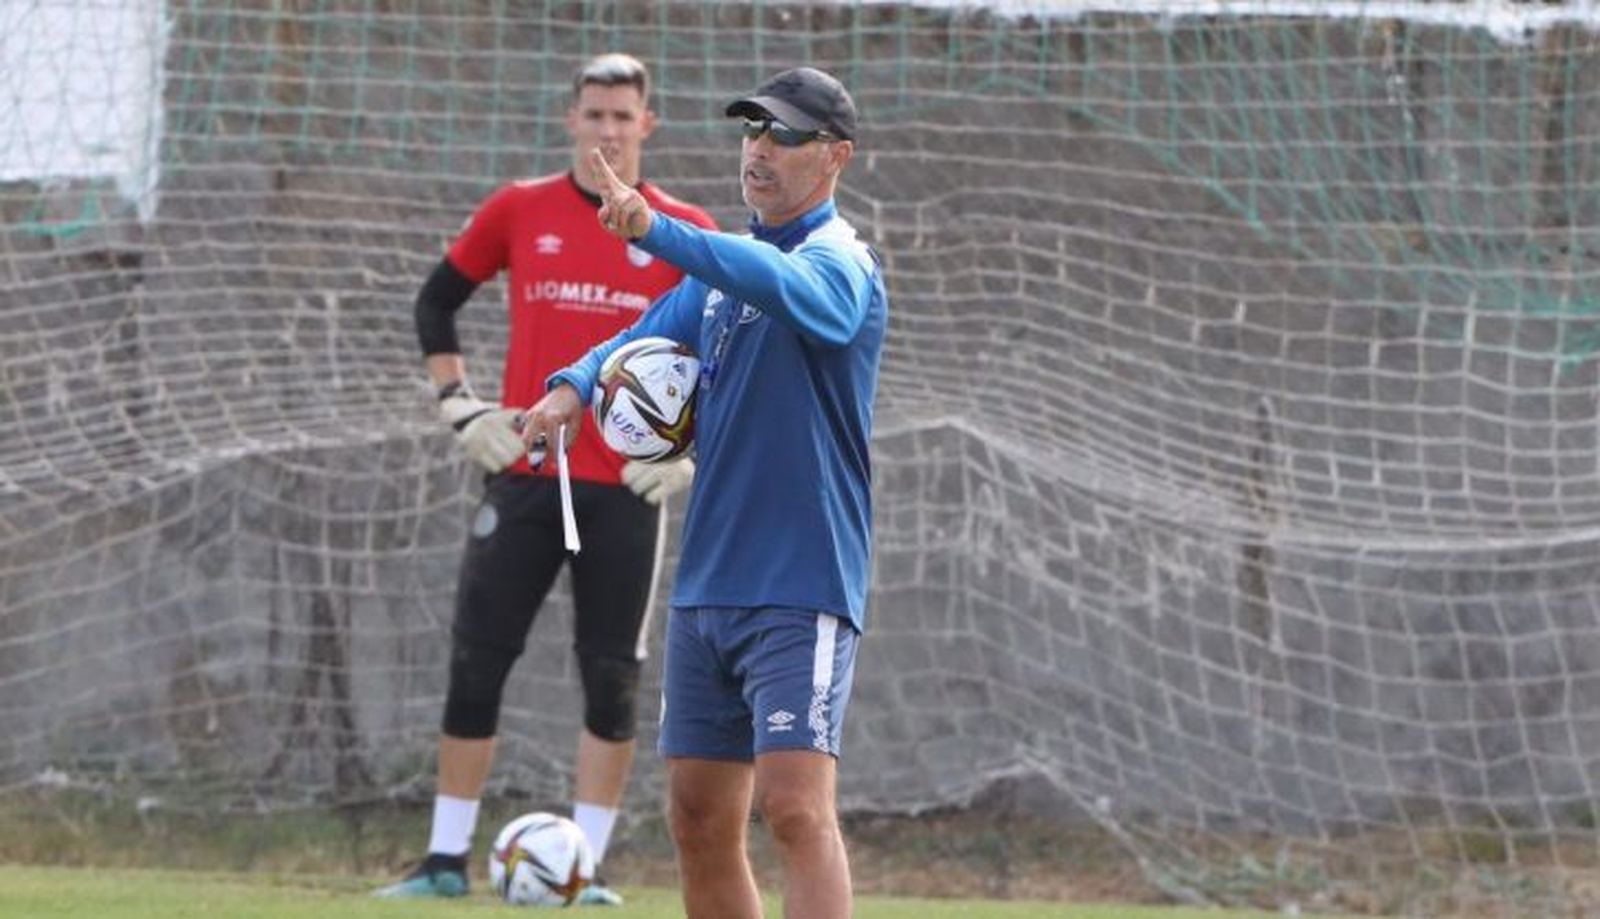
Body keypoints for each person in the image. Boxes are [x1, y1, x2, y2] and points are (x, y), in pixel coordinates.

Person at [522, 67, 885, 919]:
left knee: (796, 808)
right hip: (709, 583)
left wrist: (658, 230)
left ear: (836, 157)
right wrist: (573, 384)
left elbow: (784, 288)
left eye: (785, 135)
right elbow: (650, 330)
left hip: (802, 583)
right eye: (753, 129)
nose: (760, 147)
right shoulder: (725, 276)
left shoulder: (841, 263)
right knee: (696, 816)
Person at [375, 52, 717, 904]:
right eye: (594, 114)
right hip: (530, 473)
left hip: (626, 492)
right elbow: (434, 301)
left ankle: (585, 869)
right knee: (477, 659)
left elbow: (731, 352)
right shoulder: (519, 209)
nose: (608, 128)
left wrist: (690, 452)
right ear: (572, 119)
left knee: (611, 675)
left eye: (623, 116)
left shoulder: (679, 226)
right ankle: (445, 860)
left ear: (648, 125)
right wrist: (460, 406)